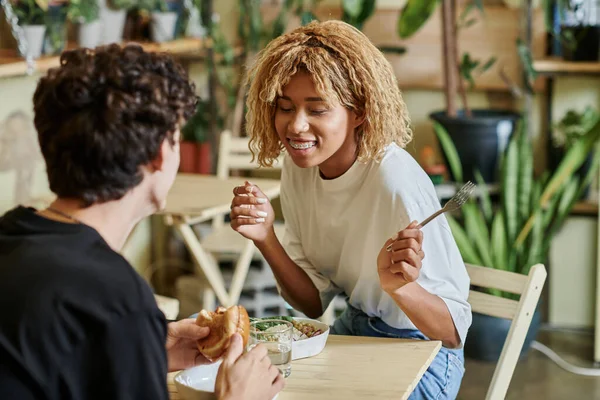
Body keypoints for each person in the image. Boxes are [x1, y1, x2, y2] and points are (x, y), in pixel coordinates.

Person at [0, 44, 284, 400]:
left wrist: (144, 350)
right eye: (177, 139)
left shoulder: (11, 233)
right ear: (159, 155)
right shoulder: (115, 298)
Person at [230, 20, 471, 399]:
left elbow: (452, 332)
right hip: (357, 329)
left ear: (358, 111)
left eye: (317, 109)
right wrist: (266, 238)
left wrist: (402, 288)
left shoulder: (392, 179)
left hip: (424, 353)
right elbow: (312, 303)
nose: (296, 126)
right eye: (285, 107)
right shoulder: (298, 166)